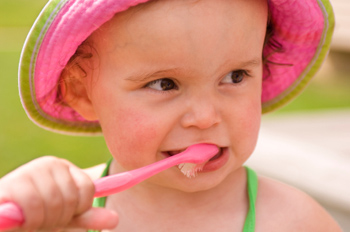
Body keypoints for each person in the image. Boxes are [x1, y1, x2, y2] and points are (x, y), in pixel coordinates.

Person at [0, 0, 342, 231]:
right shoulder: (63, 216)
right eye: (165, 84)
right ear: (80, 92)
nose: (206, 117)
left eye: (235, 76)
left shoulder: (295, 222)